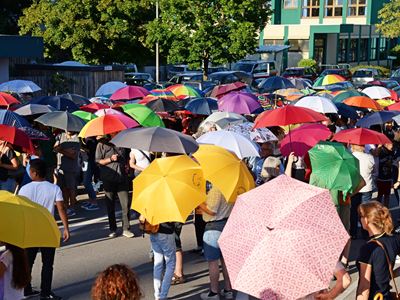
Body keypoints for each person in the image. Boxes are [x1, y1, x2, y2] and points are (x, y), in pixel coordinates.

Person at [18, 159, 69, 300]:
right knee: (47, 263)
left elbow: (20, 211)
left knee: (28, 262)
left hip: (30, 230)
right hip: (48, 229)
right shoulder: (54, 188)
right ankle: (45, 292)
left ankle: (26, 289)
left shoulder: (24, 189)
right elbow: (61, 209)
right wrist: (66, 228)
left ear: (34, 173)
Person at [356, 201, 400, 299]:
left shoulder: (367, 249)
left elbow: (365, 287)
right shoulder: (394, 239)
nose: (360, 219)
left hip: (375, 297)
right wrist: (390, 274)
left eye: (361, 216)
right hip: (387, 296)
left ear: (366, 220)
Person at [199, 186, 233, 300]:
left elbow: (212, 211)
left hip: (214, 227)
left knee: (213, 262)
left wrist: (199, 203)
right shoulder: (230, 188)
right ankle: (228, 290)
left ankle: (214, 292)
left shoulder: (216, 190)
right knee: (225, 260)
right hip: (227, 224)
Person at [95, 134, 133, 238]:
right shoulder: (101, 144)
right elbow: (98, 161)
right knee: (110, 205)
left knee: (126, 204)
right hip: (108, 178)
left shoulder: (123, 141)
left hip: (122, 178)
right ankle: (113, 229)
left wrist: (128, 166)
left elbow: (128, 157)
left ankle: (126, 228)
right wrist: (110, 159)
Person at [350, 144, 377, 239]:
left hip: (354, 188)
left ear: (353, 147)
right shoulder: (370, 157)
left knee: (353, 211)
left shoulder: (350, 157)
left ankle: (353, 233)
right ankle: (366, 233)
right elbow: (374, 171)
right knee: (366, 211)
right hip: (367, 187)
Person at [54, 131, 80, 216]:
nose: (68, 129)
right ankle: (66, 206)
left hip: (71, 168)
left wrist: (61, 150)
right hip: (60, 167)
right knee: (63, 188)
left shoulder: (76, 139)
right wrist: (66, 150)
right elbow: (55, 148)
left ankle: (72, 207)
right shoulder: (60, 136)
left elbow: (73, 155)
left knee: (71, 188)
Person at [149, 222, 176, 300]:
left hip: (153, 230)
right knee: (170, 263)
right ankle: (163, 295)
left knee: (157, 263)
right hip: (166, 232)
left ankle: (157, 294)